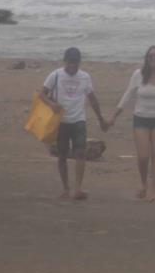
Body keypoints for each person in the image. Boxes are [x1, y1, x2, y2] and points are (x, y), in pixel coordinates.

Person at [108, 45, 155, 202]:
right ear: (146, 58)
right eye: (150, 56)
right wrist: (114, 116)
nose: (153, 58)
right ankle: (143, 183)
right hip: (141, 119)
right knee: (143, 156)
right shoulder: (138, 74)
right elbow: (128, 95)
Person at [40, 47, 107, 200]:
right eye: (70, 62)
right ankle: (65, 189)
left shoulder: (85, 77)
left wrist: (100, 118)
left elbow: (92, 98)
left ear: (79, 62)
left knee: (80, 153)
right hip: (61, 121)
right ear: (65, 61)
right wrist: (51, 104)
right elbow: (41, 94)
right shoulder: (55, 75)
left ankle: (78, 189)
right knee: (62, 155)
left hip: (79, 120)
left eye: (75, 62)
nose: (73, 65)